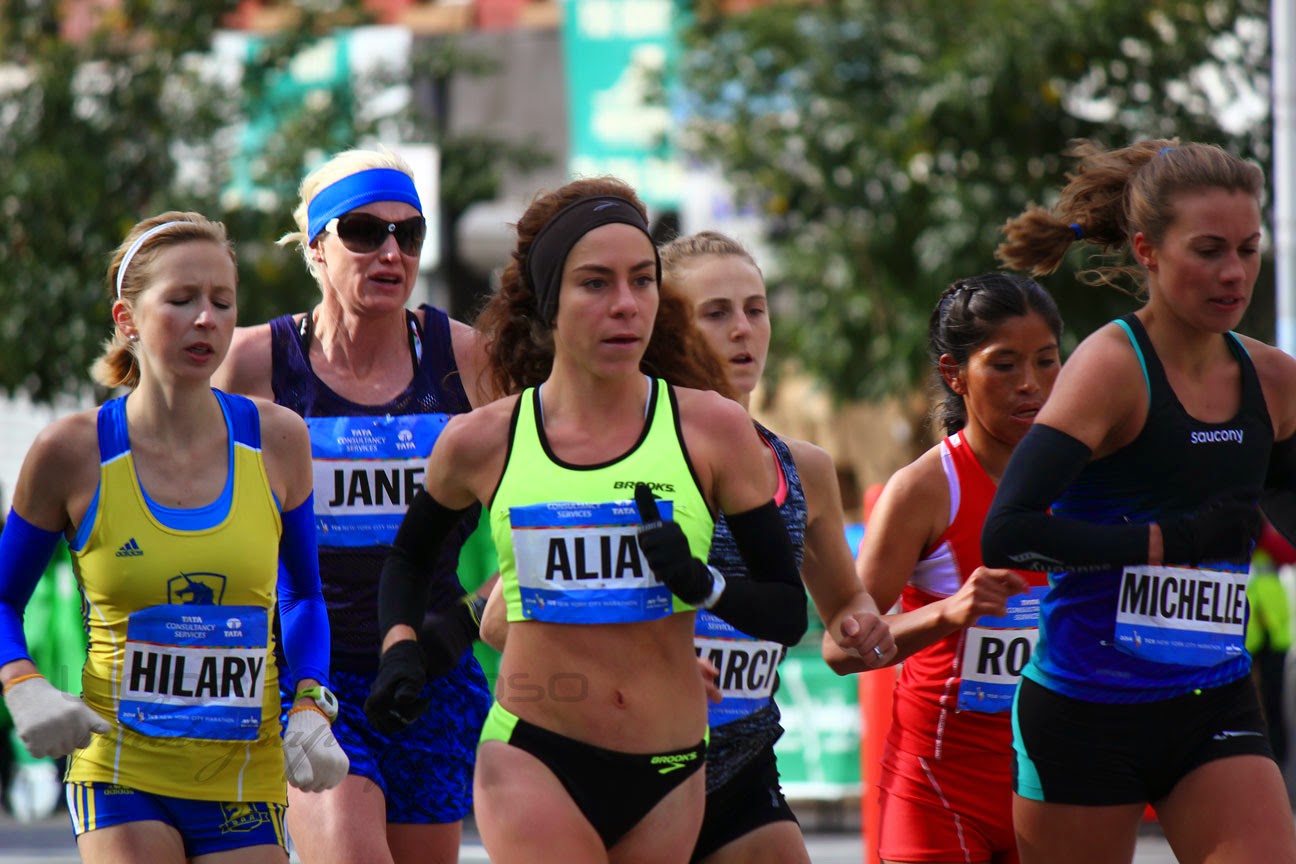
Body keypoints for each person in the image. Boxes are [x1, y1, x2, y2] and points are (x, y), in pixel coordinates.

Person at [364, 177, 811, 864]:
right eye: (595, 284)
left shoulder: (714, 431)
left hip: (669, 768)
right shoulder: (484, 440)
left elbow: (786, 613)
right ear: (549, 305)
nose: (625, 306)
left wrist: (703, 584)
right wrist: (401, 646)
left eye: (642, 281)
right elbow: (410, 559)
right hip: (534, 753)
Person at [982, 139, 1296, 864]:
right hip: (1085, 711)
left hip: (1212, 698)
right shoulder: (1111, 369)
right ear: (1149, 251)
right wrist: (1170, 542)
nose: (1234, 273)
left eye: (1249, 250)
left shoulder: (1273, 380)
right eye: (1210, 249)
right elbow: (1010, 533)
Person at [0, 212, 346, 862]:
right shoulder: (71, 453)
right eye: (182, 300)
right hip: (121, 771)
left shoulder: (278, 440)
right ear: (127, 319)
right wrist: (22, 681)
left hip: (243, 769)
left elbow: (304, 596)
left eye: (222, 301)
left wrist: (311, 704)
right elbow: (2, 599)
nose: (207, 319)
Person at [214, 148, 492, 864]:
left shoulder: (464, 359)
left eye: (409, 234)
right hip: (310, 675)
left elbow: (549, 501)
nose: (391, 252)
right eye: (364, 232)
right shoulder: (253, 365)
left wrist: (462, 622)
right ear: (317, 246)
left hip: (430, 670)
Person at [655, 230, 893, 864]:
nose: (743, 329)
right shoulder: (625, 461)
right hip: (635, 769)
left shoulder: (803, 469)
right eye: (716, 312)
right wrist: (652, 661)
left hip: (744, 768)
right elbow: (502, 620)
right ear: (667, 330)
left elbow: (845, 601)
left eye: (754, 309)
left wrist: (859, 619)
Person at [825, 272, 1062, 864]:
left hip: (1061, 782)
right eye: (1004, 365)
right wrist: (949, 613)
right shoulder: (925, 490)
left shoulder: (1092, 480)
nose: (1030, 384)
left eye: (1047, 361)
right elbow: (841, 650)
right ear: (955, 374)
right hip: (940, 787)